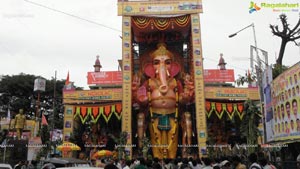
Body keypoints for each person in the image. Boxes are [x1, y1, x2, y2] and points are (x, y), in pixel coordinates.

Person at [132, 43, 192, 159]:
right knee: (156, 140)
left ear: (173, 67)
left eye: (167, 62)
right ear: (150, 68)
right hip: (155, 116)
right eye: (157, 62)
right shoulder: (149, 82)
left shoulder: (176, 82)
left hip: (172, 117)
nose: (162, 65)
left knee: (172, 140)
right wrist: (140, 98)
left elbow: (181, 99)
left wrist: (184, 97)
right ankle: (157, 160)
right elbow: (141, 100)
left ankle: (172, 160)